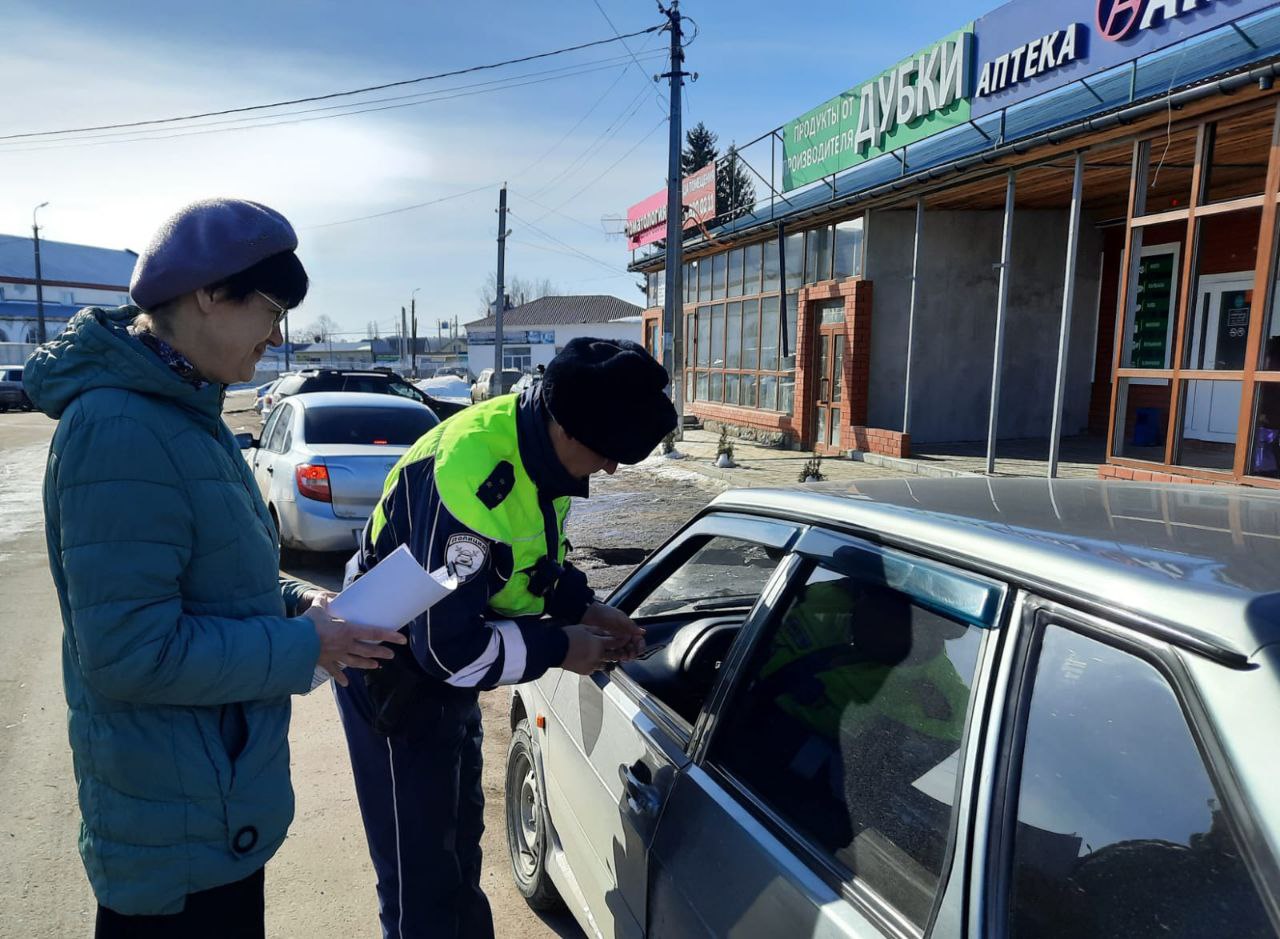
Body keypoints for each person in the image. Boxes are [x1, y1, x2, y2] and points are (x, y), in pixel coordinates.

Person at [23, 198, 405, 938]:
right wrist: (306, 647)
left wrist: (305, 606)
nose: (278, 334)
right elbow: (130, 653)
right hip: (174, 838)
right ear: (207, 294)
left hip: (210, 808)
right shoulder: (121, 427)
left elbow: (229, 585)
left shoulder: (189, 418)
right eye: (270, 308)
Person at [335, 337, 677, 938]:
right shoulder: (473, 473)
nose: (613, 469)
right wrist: (562, 648)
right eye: (609, 453)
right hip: (391, 674)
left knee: (459, 850)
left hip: (439, 676)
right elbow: (448, 651)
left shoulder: (538, 449)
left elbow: (530, 563)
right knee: (419, 881)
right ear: (569, 429)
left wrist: (588, 606)